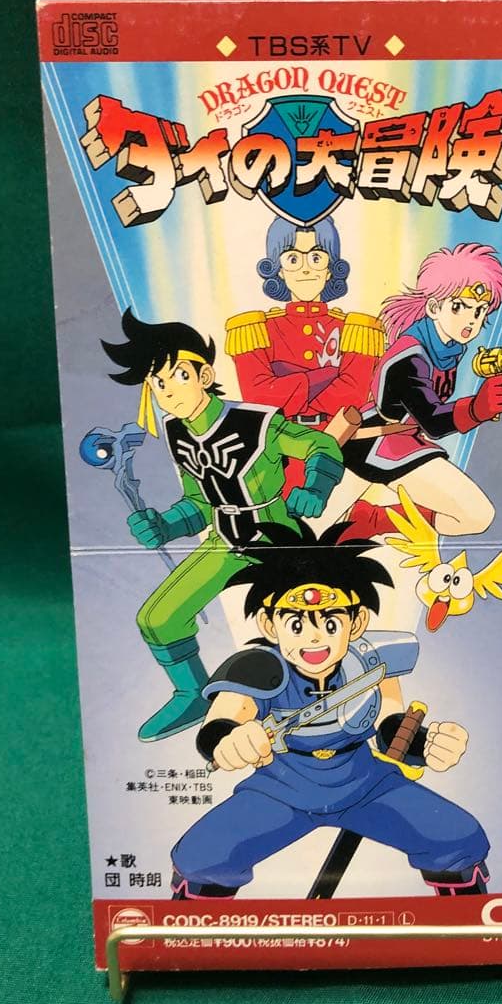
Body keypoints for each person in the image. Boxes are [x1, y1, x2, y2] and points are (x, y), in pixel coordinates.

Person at [170, 521, 490, 898]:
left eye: (331, 621)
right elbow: (220, 723)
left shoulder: (373, 662)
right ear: (269, 624)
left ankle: (468, 921)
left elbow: (391, 726)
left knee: (457, 838)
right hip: (280, 789)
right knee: (203, 857)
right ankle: (194, 929)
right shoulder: (256, 667)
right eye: (296, 623)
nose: (315, 637)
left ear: (357, 622)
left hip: (366, 783)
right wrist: (231, 741)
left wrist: (426, 744)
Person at [102, 310, 344, 742]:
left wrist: (315, 488)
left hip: (277, 541)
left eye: (177, 376)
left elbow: (320, 445)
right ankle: (192, 694)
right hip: (225, 542)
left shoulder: (255, 422)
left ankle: (317, 694)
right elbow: (199, 502)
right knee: (157, 618)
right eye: (157, 383)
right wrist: (164, 525)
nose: (167, 391)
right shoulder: (178, 432)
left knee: (303, 621)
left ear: (204, 375)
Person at [332, 243, 502, 538]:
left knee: (475, 516)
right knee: (475, 514)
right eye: (459, 307)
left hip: (404, 441)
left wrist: (480, 407)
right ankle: (369, 520)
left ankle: (370, 520)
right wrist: (475, 409)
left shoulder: (447, 347)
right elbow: (433, 420)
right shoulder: (410, 356)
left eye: (480, 311)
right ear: (434, 307)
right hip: (374, 445)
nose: (471, 320)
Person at [225, 216, 383, 492]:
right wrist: (326, 375)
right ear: (278, 270)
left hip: (341, 444)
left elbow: (353, 396)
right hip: (277, 450)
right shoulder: (253, 328)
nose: (306, 268)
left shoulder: (356, 328)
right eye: (293, 259)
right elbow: (259, 397)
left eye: (316, 257)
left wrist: (287, 384)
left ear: (331, 269)